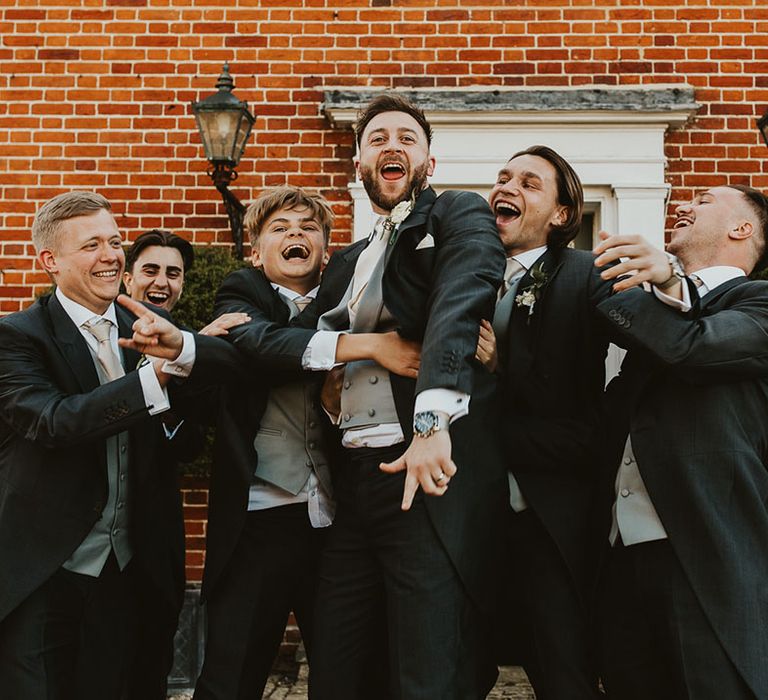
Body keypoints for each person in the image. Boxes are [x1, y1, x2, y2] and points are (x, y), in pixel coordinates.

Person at [296, 94, 506, 699]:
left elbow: (461, 297)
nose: (393, 145)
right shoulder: (347, 261)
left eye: (408, 138)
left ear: (429, 164)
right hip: (351, 483)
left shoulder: (457, 215)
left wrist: (432, 419)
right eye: (378, 137)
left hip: (421, 473)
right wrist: (195, 345)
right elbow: (298, 336)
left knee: (425, 668)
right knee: (335, 665)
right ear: (358, 164)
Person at [0, 191, 240, 700]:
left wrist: (192, 352)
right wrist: (153, 380)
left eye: (114, 241)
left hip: (130, 570)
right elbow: (53, 421)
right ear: (50, 261)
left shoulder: (149, 331)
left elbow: (189, 432)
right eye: (92, 245)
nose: (111, 255)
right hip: (45, 569)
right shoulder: (16, 337)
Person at [592, 184, 768, 699]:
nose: (684, 205)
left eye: (706, 200)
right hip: (621, 561)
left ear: (743, 229)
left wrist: (655, 280)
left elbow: (695, 349)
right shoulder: (659, 313)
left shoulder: (758, 302)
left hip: (706, 560)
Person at [192, 187, 338, 699]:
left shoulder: (346, 295)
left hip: (337, 522)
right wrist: (351, 339)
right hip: (259, 517)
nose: (296, 233)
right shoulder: (240, 291)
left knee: (348, 675)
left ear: (325, 250)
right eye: (280, 228)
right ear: (256, 251)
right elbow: (266, 349)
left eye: (308, 227)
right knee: (232, 676)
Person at [476, 145, 608, 699]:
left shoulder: (583, 274)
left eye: (530, 183)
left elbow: (579, 414)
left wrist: (499, 369)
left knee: (562, 673)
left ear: (560, 214)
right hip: (470, 518)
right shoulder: (467, 277)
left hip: (549, 516)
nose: (507, 187)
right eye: (504, 178)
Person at [122, 228, 248, 700]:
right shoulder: (100, 336)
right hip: (90, 532)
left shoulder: (191, 349)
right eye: (151, 270)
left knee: (151, 660)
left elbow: (189, 443)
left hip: (156, 533)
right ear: (129, 277)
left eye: (173, 273)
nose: (162, 281)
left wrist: (190, 354)